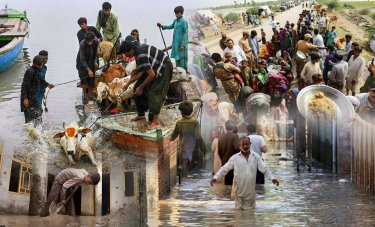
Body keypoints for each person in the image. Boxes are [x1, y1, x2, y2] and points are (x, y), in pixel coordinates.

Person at [211, 137, 279, 209]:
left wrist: (272, 178)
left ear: (250, 144)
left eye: (247, 144)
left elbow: (264, 169)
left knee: (251, 213)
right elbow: (224, 169)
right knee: (238, 213)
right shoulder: (235, 158)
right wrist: (215, 178)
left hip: (250, 192)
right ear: (240, 145)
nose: (245, 146)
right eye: (243, 144)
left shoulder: (256, 157)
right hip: (238, 191)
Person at [120, 35, 173, 129]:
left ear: (131, 49)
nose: (126, 55)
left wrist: (141, 88)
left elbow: (151, 75)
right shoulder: (137, 54)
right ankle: (141, 114)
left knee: (154, 92)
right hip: (153, 68)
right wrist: (129, 83)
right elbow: (141, 71)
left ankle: (155, 121)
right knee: (135, 88)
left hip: (164, 66)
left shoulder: (141, 54)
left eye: (126, 52)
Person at [171, 101, 205, 177]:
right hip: (193, 148)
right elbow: (198, 137)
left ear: (181, 112)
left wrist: (171, 140)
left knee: (184, 165)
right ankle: (185, 182)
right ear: (191, 111)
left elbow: (174, 136)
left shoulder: (179, 123)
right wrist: (203, 149)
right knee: (189, 165)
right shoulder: (195, 122)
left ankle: (184, 183)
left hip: (183, 147)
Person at [21, 55, 54, 125]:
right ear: (36, 64)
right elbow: (24, 85)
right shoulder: (30, 71)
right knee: (29, 120)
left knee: (38, 115)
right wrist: (25, 98)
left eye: (42, 65)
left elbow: (41, 80)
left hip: (33, 97)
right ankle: (30, 132)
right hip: (27, 98)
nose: (41, 67)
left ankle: (38, 132)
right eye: (40, 65)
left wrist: (48, 85)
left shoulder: (37, 71)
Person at [157, 6, 188, 70]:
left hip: (182, 44)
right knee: (177, 58)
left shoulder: (183, 21)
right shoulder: (175, 21)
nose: (176, 14)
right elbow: (171, 26)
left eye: (177, 13)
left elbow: (185, 33)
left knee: (182, 59)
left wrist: (183, 44)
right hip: (176, 43)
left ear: (181, 13)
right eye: (175, 13)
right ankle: (179, 71)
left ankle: (185, 72)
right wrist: (162, 26)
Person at [76, 32, 99, 101]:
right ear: (86, 40)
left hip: (91, 60)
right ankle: (85, 95)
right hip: (81, 62)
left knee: (91, 78)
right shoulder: (82, 44)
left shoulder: (96, 42)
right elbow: (82, 59)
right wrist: (88, 70)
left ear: (93, 39)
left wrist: (95, 61)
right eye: (88, 41)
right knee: (83, 78)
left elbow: (95, 52)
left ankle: (90, 93)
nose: (90, 43)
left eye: (91, 41)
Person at [217, 121, 240, 186]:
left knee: (227, 181)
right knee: (234, 182)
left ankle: (226, 195)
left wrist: (223, 159)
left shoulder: (221, 137)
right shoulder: (235, 136)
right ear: (232, 127)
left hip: (224, 161)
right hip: (234, 162)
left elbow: (219, 152)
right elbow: (237, 148)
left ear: (226, 127)